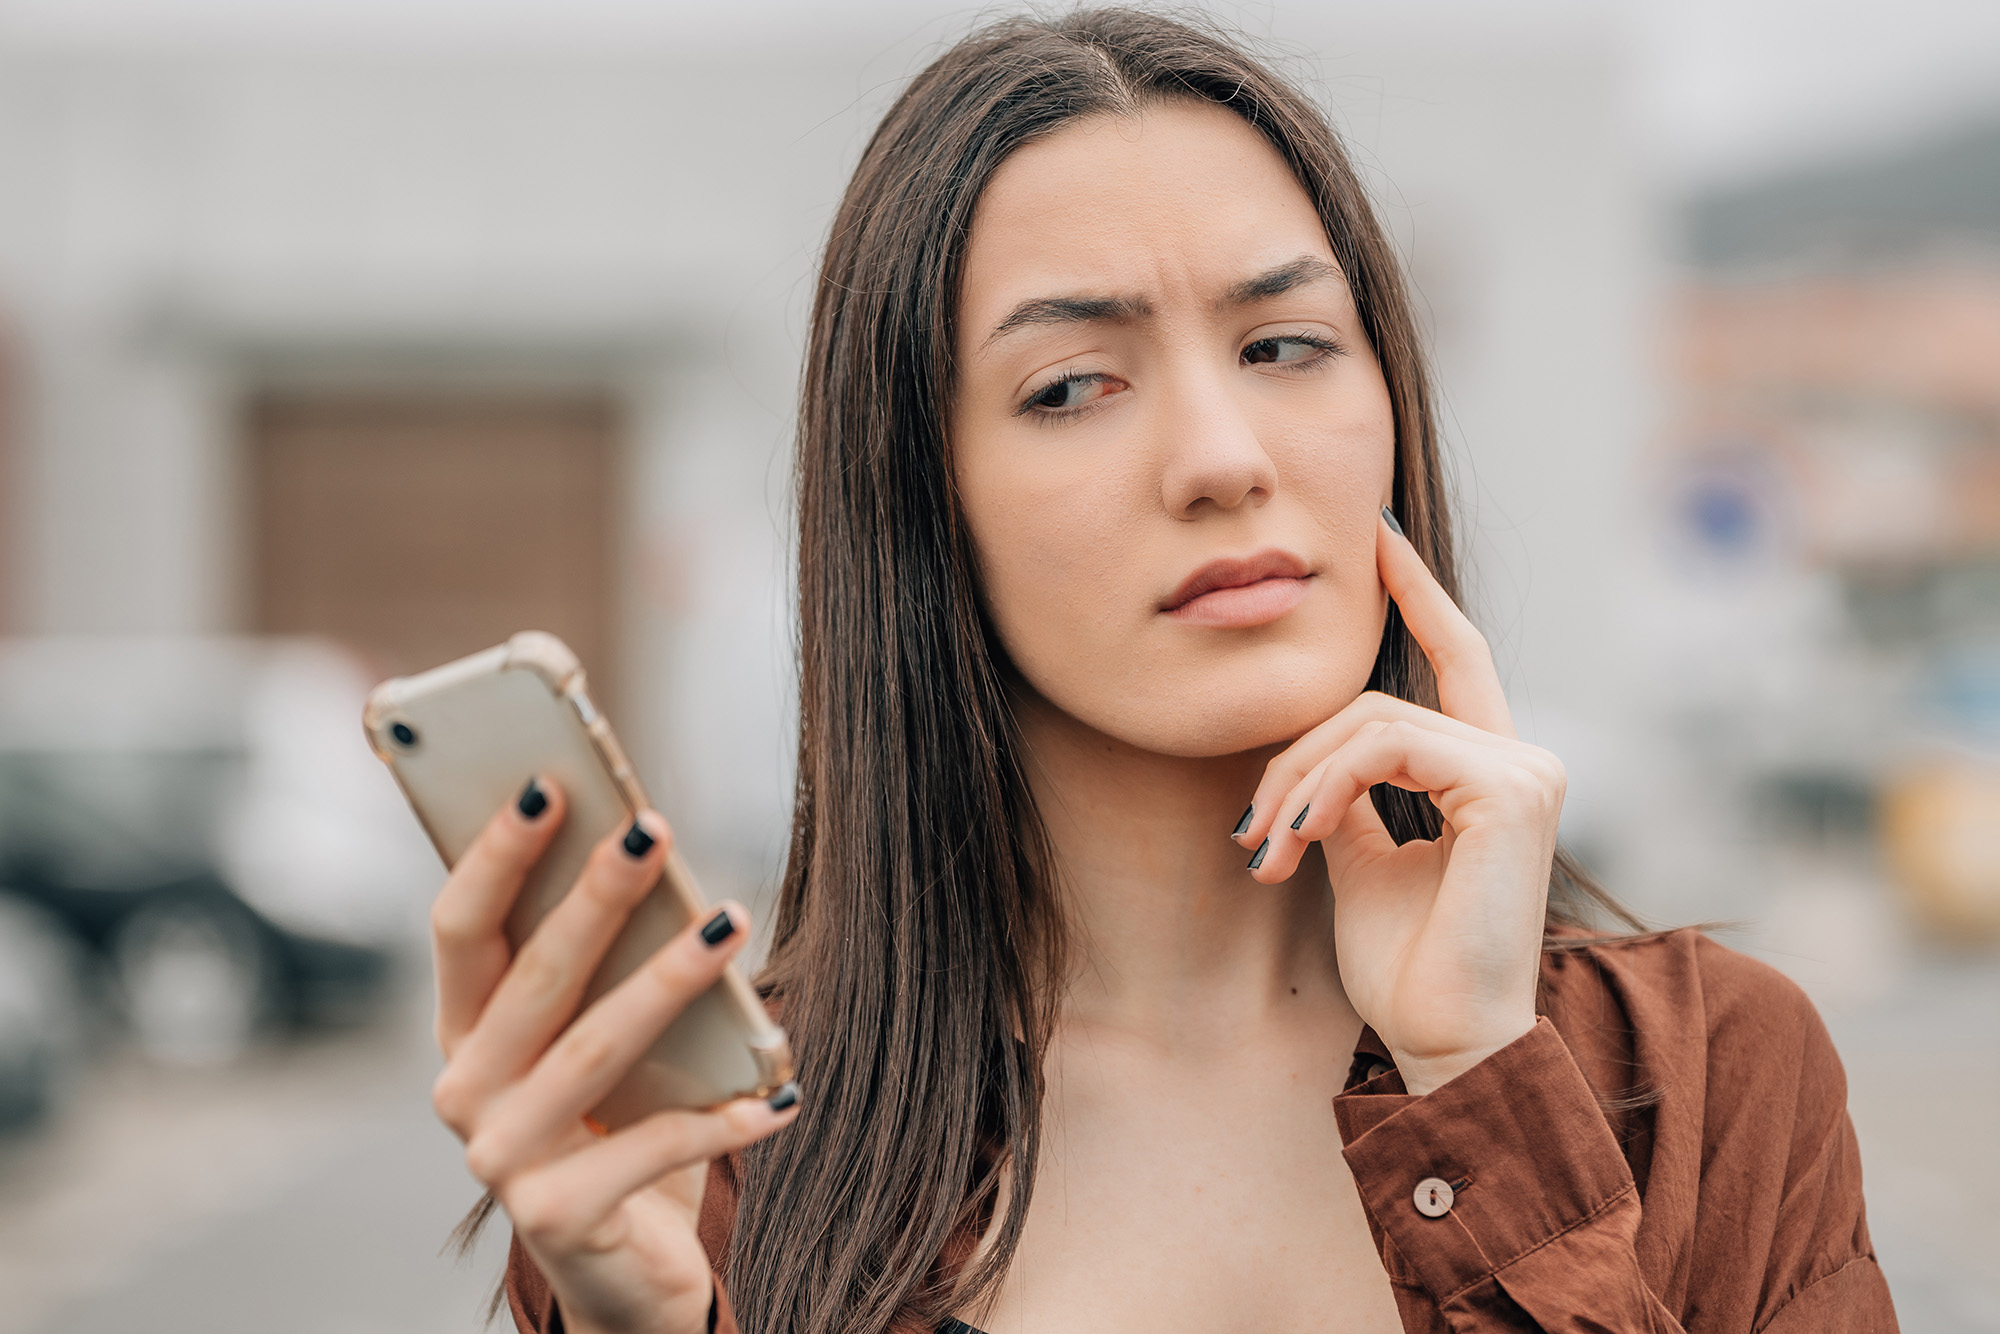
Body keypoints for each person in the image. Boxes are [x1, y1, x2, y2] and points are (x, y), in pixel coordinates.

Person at [424, 11, 1898, 1333]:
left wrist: (1485, 1088)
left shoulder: (1714, 1077)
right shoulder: (718, 1157)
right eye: (1072, 385)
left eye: (1285, 343)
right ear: (919, 502)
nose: (1219, 457)